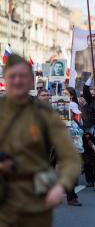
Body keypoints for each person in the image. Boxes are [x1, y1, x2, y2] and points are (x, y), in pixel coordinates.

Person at [0, 54, 80, 227]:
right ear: (5, 80)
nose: (18, 81)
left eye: (23, 76)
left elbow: (70, 157)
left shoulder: (46, 114)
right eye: (13, 76)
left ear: (31, 81)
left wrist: (61, 185)